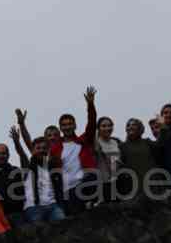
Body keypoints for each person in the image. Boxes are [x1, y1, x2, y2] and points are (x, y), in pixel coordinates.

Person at [50, 86, 99, 215]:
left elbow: (92, 123)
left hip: (84, 183)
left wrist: (90, 105)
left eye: (70, 124)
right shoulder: (55, 148)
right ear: (60, 128)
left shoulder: (83, 140)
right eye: (64, 125)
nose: (67, 127)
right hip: (67, 189)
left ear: (75, 125)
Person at [10, 127, 66, 222]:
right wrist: (17, 142)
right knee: (39, 233)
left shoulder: (52, 166)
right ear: (33, 151)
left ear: (48, 150)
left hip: (53, 205)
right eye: (38, 148)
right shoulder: (28, 166)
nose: (41, 150)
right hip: (33, 207)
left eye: (44, 148)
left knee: (63, 226)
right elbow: (22, 154)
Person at [120, 118, 162, 198]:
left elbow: (161, 146)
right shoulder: (122, 146)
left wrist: (162, 127)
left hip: (152, 182)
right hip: (134, 185)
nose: (130, 127)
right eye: (128, 125)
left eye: (134, 125)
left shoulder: (147, 142)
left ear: (140, 128)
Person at [95, 116, 124, 203]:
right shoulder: (96, 143)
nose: (107, 128)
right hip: (104, 183)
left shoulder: (117, 141)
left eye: (109, 125)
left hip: (119, 182)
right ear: (98, 128)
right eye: (103, 126)